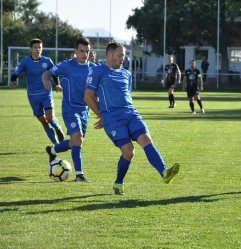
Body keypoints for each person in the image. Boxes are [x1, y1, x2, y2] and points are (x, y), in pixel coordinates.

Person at [84, 42, 180, 195]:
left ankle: (164, 172)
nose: (124, 58)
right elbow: (88, 96)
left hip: (131, 114)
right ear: (109, 55)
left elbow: (126, 96)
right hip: (113, 119)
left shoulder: (126, 74)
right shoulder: (97, 71)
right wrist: (103, 116)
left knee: (146, 140)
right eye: (120, 55)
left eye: (124, 55)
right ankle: (118, 183)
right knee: (129, 152)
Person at [43, 37, 97, 182]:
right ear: (75, 51)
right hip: (70, 109)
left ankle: (52, 150)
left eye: (87, 51)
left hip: (85, 111)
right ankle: (79, 175)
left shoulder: (93, 67)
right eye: (81, 51)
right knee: (77, 138)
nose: (84, 54)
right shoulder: (66, 65)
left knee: (75, 142)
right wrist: (46, 81)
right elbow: (47, 73)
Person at [9, 38, 64, 145]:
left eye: (40, 47)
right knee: (43, 121)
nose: (38, 49)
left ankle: (58, 129)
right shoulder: (25, 62)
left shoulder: (47, 61)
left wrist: (57, 84)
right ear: (31, 49)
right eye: (35, 47)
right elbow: (16, 72)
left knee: (50, 118)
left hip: (45, 93)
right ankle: (57, 144)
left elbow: (54, 73)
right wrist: (12, 81)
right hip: (32, 96)